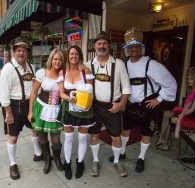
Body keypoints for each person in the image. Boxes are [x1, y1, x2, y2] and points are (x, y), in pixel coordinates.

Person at [120, 26, 177, 173]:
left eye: (136, 46)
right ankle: (122, 152)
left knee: (145, 133)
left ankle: (141, 158)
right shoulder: (125, 65)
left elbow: (170, 83)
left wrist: (159, 99)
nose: (134, 49)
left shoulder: (151, 64)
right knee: (125, 130)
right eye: (131, 46)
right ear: (127, 49)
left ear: (141, 48)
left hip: (147, 105)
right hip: (130, 105)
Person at [86, 31, 131, 177]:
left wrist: (121, 104)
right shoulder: (88, 65)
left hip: (114, 106)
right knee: (94, 135)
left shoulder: (118, 64)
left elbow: (126, 87)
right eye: (99, 43)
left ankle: (117, 161)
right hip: (95, 107)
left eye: (105, 43)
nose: (102, 46)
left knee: (116, 137)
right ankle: (95, 161)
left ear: (109, 46)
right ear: (95, 46)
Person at [0, 38, 42, 180]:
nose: (21, 53)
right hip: (14, 106)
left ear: (28, 53)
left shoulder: (30, 66)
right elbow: (3, 94)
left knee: (34, 129)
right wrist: (8, 113)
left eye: (24, 51)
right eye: (18, 50)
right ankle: (12, 164)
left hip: (29, 104)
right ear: (14, 52)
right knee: (13, 136)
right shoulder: (8, 68)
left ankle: (38, 153)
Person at [57, 45, 95, 180]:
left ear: (80, 56)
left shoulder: (86, 71)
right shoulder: (63, 72)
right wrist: (70, 98)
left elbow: (91, 93)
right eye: (71, 54)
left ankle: (80, 163)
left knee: (82, 138)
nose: (74, 56)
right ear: (68, 56)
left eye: (76, 54)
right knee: (67, 138)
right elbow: (61, 93)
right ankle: (68, 164)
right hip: (68, 108)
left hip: (84, 111)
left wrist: (88, 105)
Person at [155, 70, 195, 150]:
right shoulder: (192, 90)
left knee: (169, 118)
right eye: (188, 78)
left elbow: (193, 109)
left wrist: (182, 114)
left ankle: (163, 141)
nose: (188, 80)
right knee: (166, 113)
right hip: (188, 112)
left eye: (191, 79)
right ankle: (162, 140)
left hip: (194, 116)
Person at [28, 49, 65, 174]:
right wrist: (30, 112)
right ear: (51, 59)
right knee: (42, 136)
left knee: (56, 141)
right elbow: (33, 93)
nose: (57, 61)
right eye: (55, 59)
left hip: (56, 110)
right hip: (41, 107)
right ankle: (47, 159)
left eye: (60, 59)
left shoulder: (63, 75)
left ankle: (57, 159)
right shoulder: (42, 73)